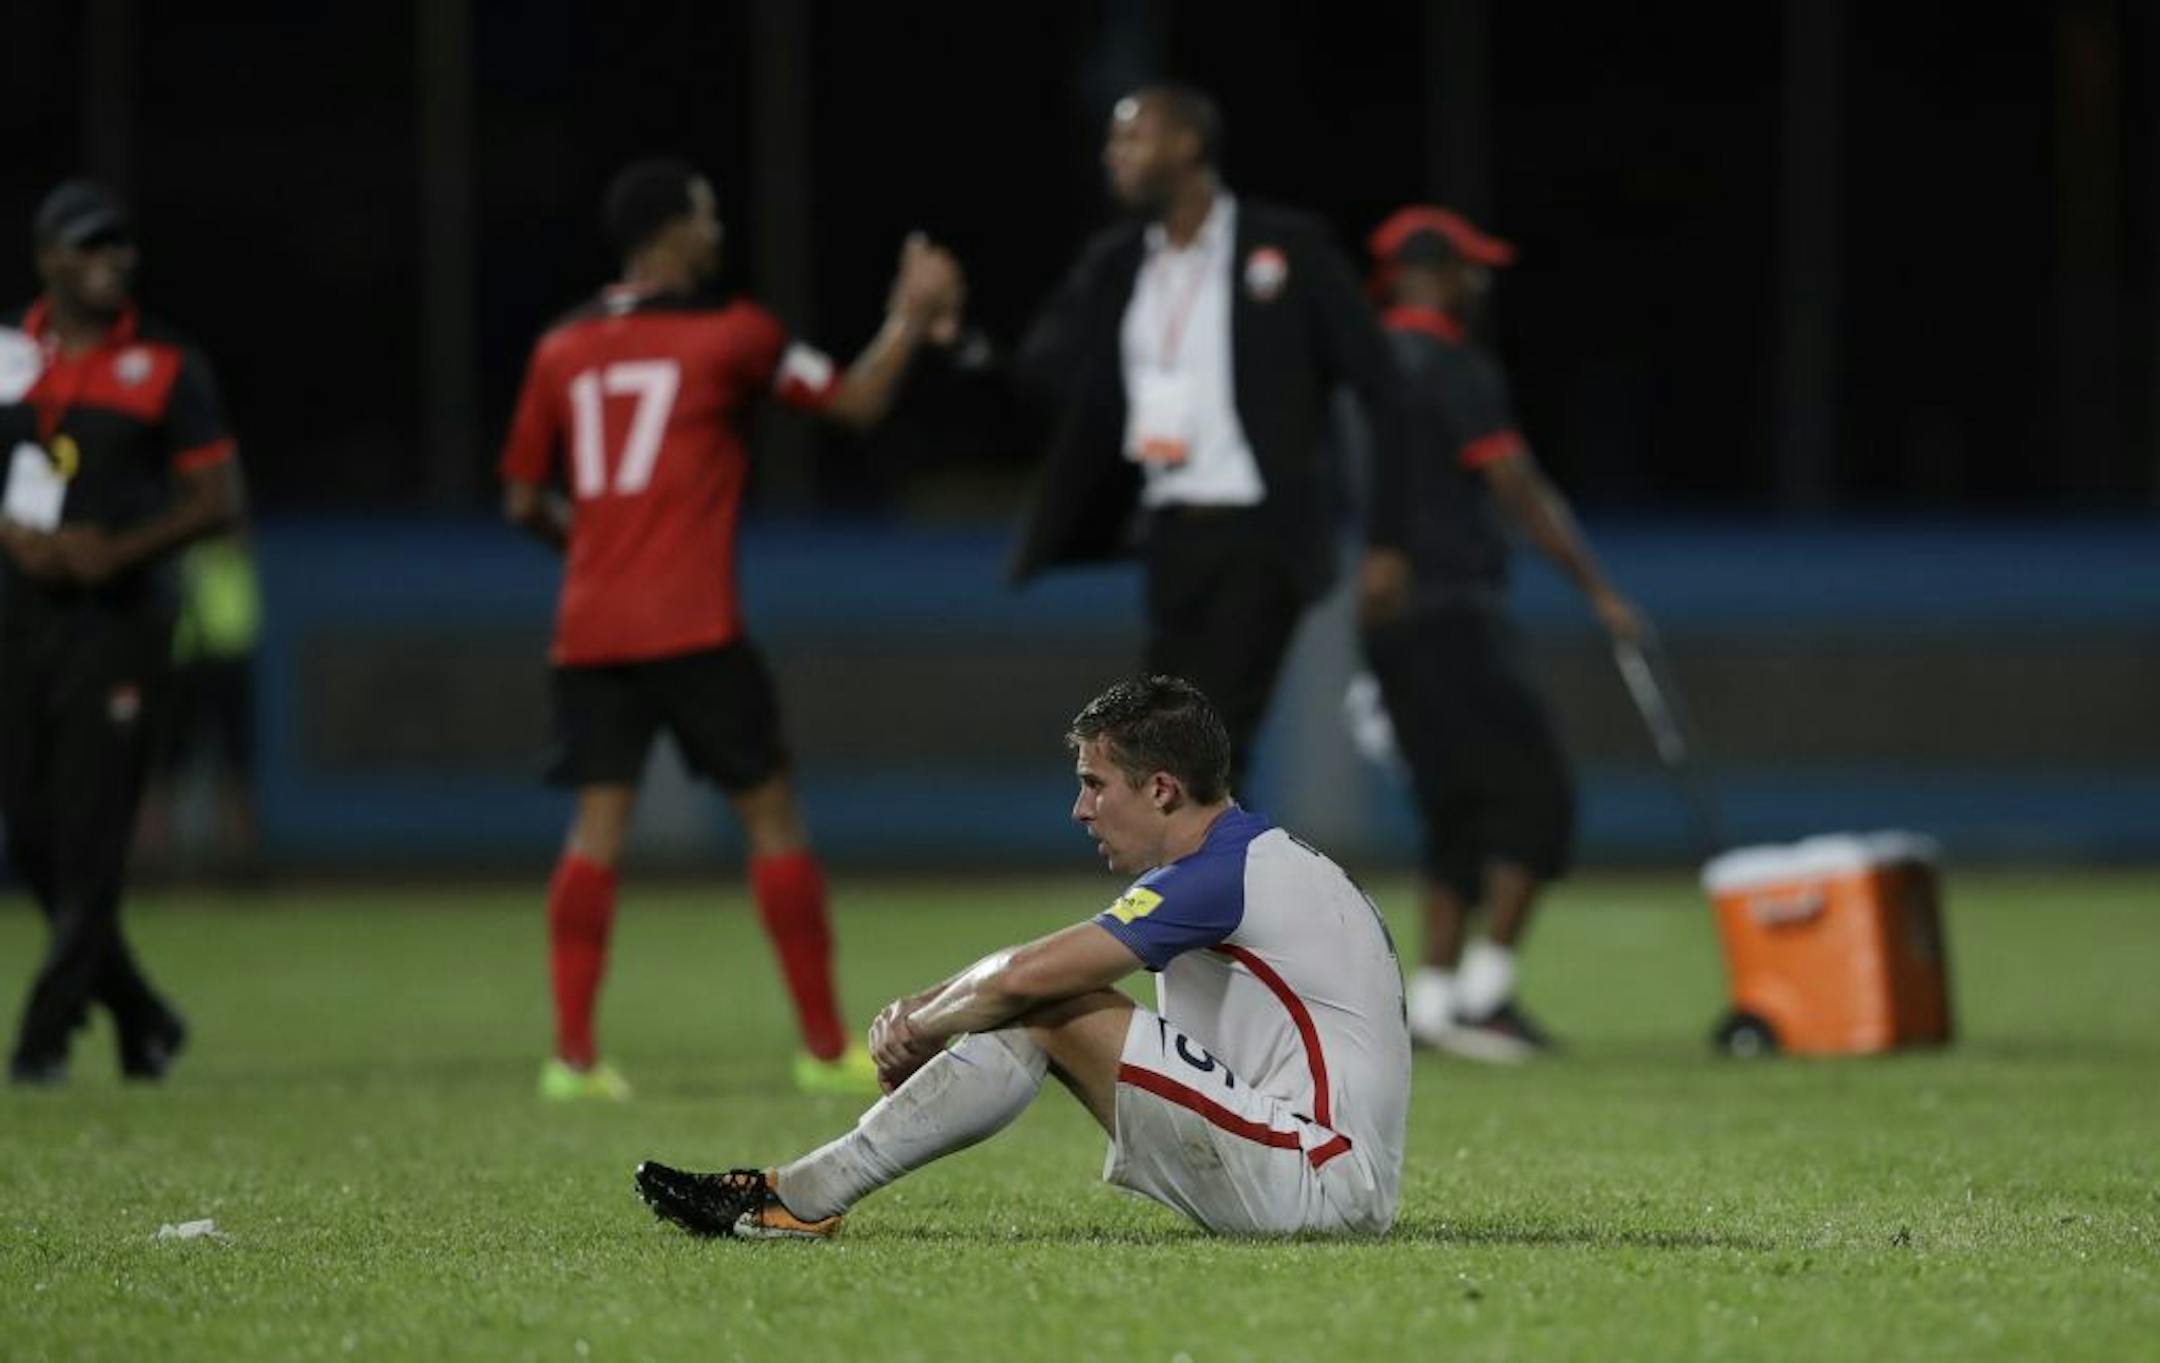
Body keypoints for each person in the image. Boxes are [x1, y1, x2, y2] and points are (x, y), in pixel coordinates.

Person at [633, 675, 1409, 1240]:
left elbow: (1028, 977)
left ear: (1164, 789)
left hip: (1318, 1180)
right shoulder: (1247, 860)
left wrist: (922, 1021)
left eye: (1095, 785)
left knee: (1050, 1002)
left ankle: (800, 1196)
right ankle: (798, 1192)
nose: (1080, 809)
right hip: (1320, 1170)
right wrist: (936, 1008)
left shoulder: (1219, 874)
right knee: (1040, 997)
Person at [499, 158, 963, 1101]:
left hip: (589, 625)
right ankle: (825, 1045)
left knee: (594, 833)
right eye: (707, 217)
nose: (717, 233)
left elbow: (519, 498)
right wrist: (910, 317)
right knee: (771, 817)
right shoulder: (731, 333)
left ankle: (574, 1060)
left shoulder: (560, 345)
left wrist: (594, 550)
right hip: (694, 622)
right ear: (672, 231)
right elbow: (856, 401)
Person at [1008, 85, 1412, 788]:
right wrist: (953, 337)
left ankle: (1206, 897)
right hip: (1170, 537)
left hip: (1261, 534)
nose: (1114, 154)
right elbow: (1040, 373)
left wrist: (1387, 535)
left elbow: (1380, 386)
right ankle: (1220, 894)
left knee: (1208, 742)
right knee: (1164, 749)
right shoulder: (1121, 262)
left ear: (1187, 145)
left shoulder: (1287, 247)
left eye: (1132, 137)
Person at [1355, 205, 1646, 1061]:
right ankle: (1484, 995)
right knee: (1538, 801)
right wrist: (1599, 589)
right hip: (1453, 612)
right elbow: (1518, 486)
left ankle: (1438, 1005)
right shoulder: (1450, 363)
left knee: (1454, 808)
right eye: (1468, 268)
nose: (1479, 283)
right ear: (1431, 274)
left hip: (1387, 623)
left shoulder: (1361, 367)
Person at [1, 181, 246, 1084]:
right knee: (31, 831)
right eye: (90, 245)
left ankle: (44, 1036)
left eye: (121, 246)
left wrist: (121, 550)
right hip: (22, 618)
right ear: (48, 260)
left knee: (95, 828)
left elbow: (214, 502)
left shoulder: (168, 365)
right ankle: (142, 1015)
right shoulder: (5, 353)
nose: (112, 260)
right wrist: (14, 534)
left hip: (125, 621)